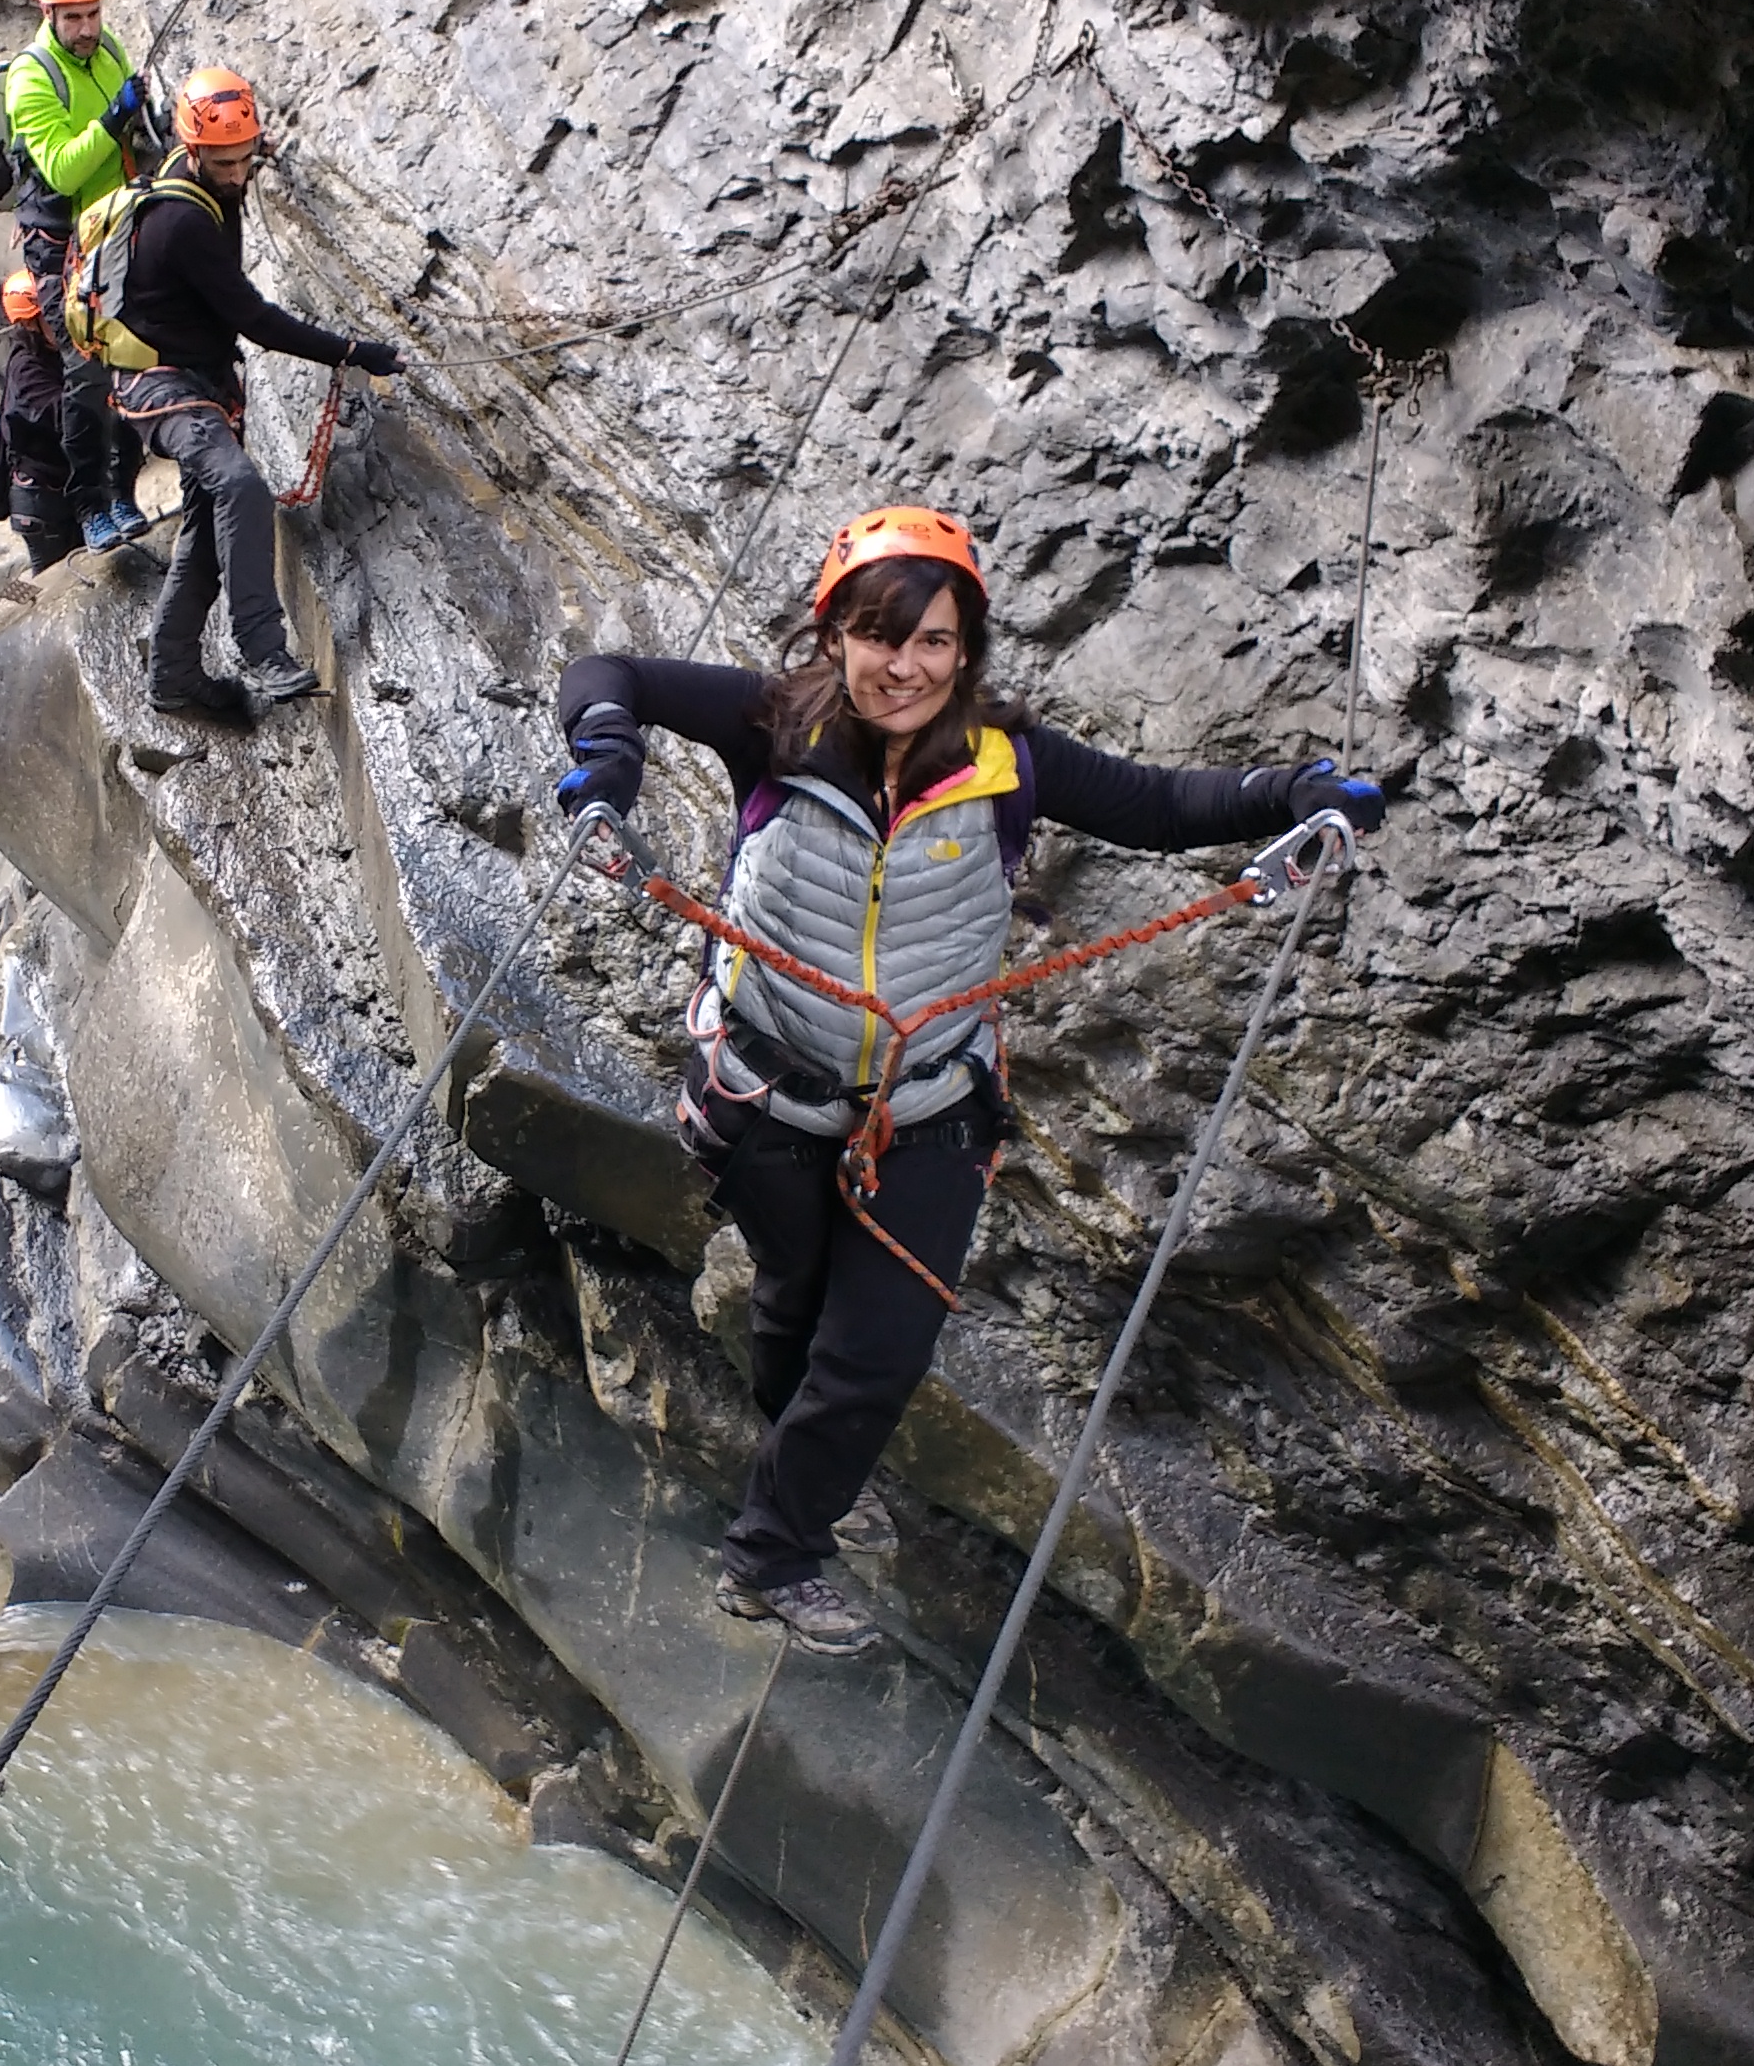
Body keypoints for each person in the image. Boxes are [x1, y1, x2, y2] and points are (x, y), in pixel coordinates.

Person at [550, 506, 1388, 1655]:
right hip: (766, 1091)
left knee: (877, 1347)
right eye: (877, 636)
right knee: (793, 1298)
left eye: (933, 641)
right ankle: (804, 1463)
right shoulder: (771, 726)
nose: (903, 666)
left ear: (965, 650)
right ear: (833, 636)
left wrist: (1295, 793)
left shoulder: (1010, 762)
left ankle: (772, 1554)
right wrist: (609, 755)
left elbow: (1158, 808)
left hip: (928, 1108)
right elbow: (608, 674)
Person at [112, 67, 404, 720]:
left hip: (197, 382)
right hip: (161, 387)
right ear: (192, 151)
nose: (240, 173)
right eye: (226, 163)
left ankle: (174, 677)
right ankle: (262, 650)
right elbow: (256, 320)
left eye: (247, 157)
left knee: (206, 534)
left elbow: (233, 157)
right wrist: (352, 352)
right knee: (239, 486)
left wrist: (252, 153)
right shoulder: (180, 223)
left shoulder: (202, 175)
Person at [4, 0, 153, 554]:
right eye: (74, 18)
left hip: (113, 229)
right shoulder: (31, 78)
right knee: (86, 373)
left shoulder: (108, 49)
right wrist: (114, 120)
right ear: (48, 12)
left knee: (132, 358)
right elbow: (64, 171)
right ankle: (90, 506)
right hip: (61, 243)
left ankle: (123, 494)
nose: (87, 28)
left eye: (93, 13)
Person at [0, 271, 80, 571]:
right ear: (30, 323)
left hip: (58, 489)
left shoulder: (55, 353)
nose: (62, 320)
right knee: (54, 579)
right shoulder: (27, 369)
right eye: (51, 314)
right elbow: (64, 416)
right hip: (42, 500)